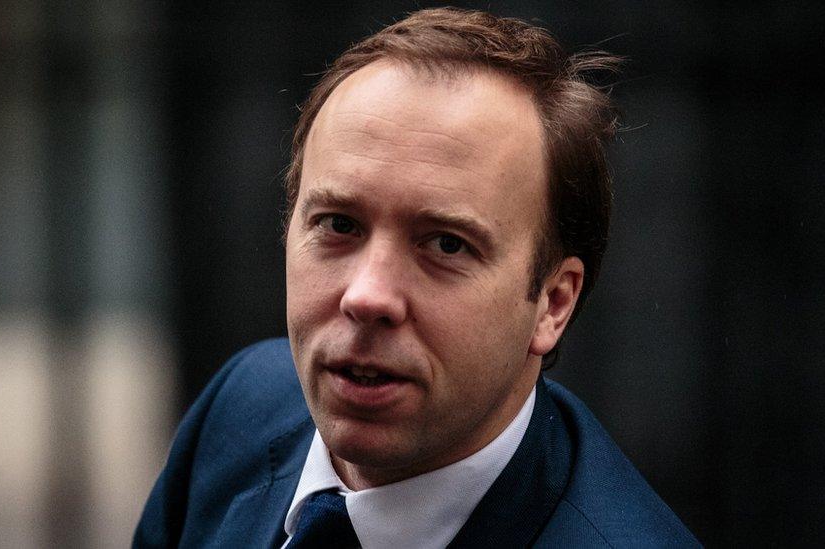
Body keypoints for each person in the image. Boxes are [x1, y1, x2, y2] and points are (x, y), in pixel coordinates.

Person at [135, 7, 698, 548]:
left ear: (552, 303)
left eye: (447, 244)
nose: (367, 296)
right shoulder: (241, 410)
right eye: (339, 224)